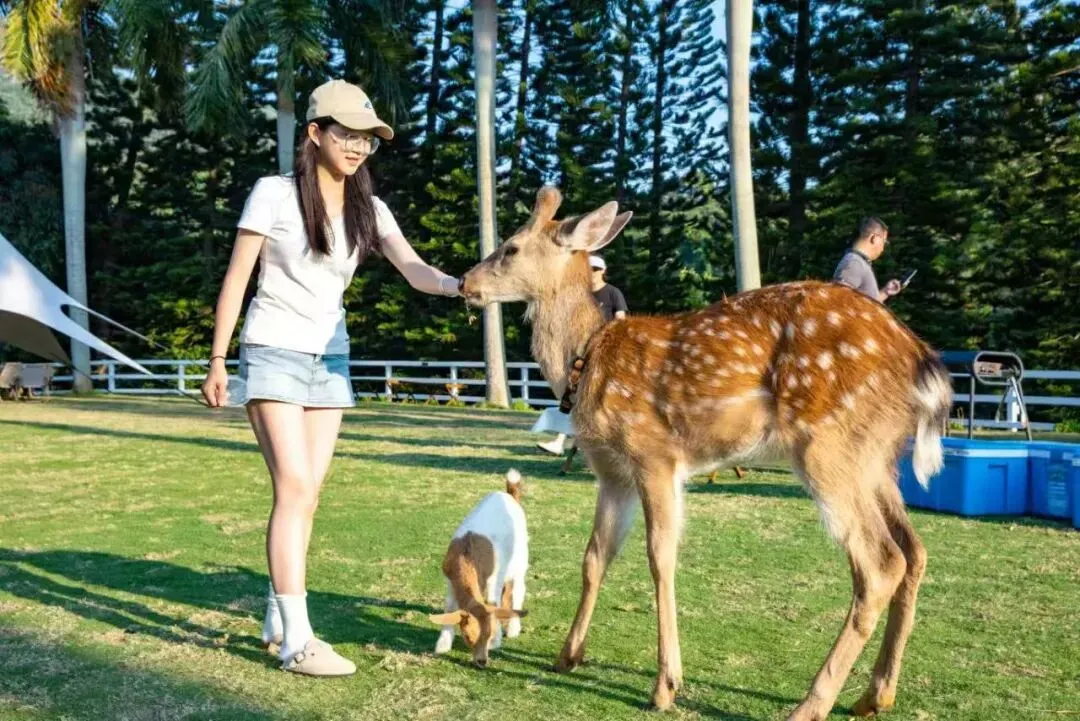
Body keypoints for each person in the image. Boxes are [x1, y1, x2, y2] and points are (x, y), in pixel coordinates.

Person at [201, 79, 462, 677]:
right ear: (315, 133)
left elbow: (414, 268)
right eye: (347, 134)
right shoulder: (273, 194)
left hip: (330, 359)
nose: (358, 147)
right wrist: (217, 360)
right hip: (273, 350)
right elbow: (237, 279)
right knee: (294, 487)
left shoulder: (371, 208)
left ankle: (276, 614)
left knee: (309, 494)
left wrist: (459, 286)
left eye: (367, 139)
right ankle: (297, 641)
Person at [536, 254, 627, 457]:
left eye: (595, 269)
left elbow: (621, 321)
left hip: (605, 352)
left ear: (603, 271)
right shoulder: (579, 294)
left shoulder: (613, 293)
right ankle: (560, 441)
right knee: (572, 394)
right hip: (580, 352)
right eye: (588, 269)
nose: (591, 273)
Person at [832, 216, 904, 303]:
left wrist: (886, 292)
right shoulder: (854, 263)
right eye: (884, 242)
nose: (883, 248)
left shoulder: (859, 262)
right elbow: (840, 302)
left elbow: (867, 304)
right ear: (874, 238)